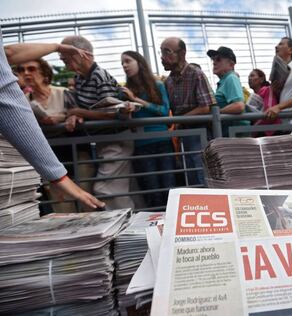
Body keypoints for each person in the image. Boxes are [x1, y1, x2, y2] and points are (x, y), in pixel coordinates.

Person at [1, 29, 104, 209]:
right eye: (21, 69)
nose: (26, 73)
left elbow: (78, 112)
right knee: (63, 208)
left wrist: (67, 117)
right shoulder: (23, 100)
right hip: (49, 158)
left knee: (86, 202)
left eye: (31, 69)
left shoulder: (64, 93)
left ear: (44, 73)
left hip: (76, 154)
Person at [59, 35, 134, 210]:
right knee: (120, 190)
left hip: (116, 141)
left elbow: (113, 114)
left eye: (65, 55)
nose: (62, 59)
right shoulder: (79, 78)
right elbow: (82, 109)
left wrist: (79, 112)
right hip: (103, 142)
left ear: (82, 54)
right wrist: (75, 115)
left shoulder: (100, 76)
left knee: (106, 190)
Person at [120, 50, 176, 207]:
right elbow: (121, 118)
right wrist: (125, 110)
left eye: (128, 61)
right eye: (122, 63)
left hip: (163, 142)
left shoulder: (157, 85)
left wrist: (135, 99)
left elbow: (164, 111)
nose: (124, 65)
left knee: (169, 187)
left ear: (139, 63)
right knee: (152, 192)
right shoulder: (124, 91)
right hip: (141, 145)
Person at [161, 37, 216, 186]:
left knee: (202, 176)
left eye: (167, 52)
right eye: (161, 53)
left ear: (182, 53)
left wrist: (179, 120)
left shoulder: (195, 74)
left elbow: (206, 107)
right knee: (191, 178)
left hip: (200, 133)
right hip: (183, 135)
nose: (162, 57)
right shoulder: (168, 81)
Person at [207, 46, 248, 137]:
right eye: (213, 59)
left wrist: (216, 113)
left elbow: (239, 106)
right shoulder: (225, 81)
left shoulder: (231, 78)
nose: (214, 62)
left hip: (236, 136)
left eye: (218, 59)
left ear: (231, 64)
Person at [247, 69, 281, 136]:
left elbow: (269, 111)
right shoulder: (253, 96)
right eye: (248, 77)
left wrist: (253, 128)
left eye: (252, 76)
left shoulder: (267, 90)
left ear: (261, 79)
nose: (249, 78)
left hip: (270, 132)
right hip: (261, 131)